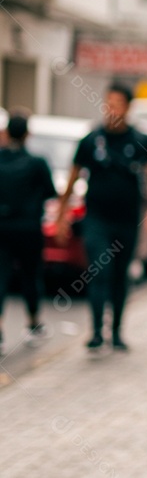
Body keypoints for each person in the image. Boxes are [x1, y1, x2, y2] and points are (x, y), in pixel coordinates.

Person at [56, 83, 147, 352]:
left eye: (117, 103)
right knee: (98, 272)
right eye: (108, 103)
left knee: (120, 275)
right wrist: (62, 216)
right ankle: (95, 332)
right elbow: (72, 179)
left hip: (127, 220)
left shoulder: (141, 141)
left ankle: (116, 332)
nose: (111, 109)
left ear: (128, 107)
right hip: (97, 219)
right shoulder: (92, 140)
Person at [0, 114, 56, 355]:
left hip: (1, 228)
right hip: (29, 228)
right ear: (27, 134)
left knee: (0, 277)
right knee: (31, 276)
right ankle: (33, 323)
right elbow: (50, 192)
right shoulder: (37, 163)